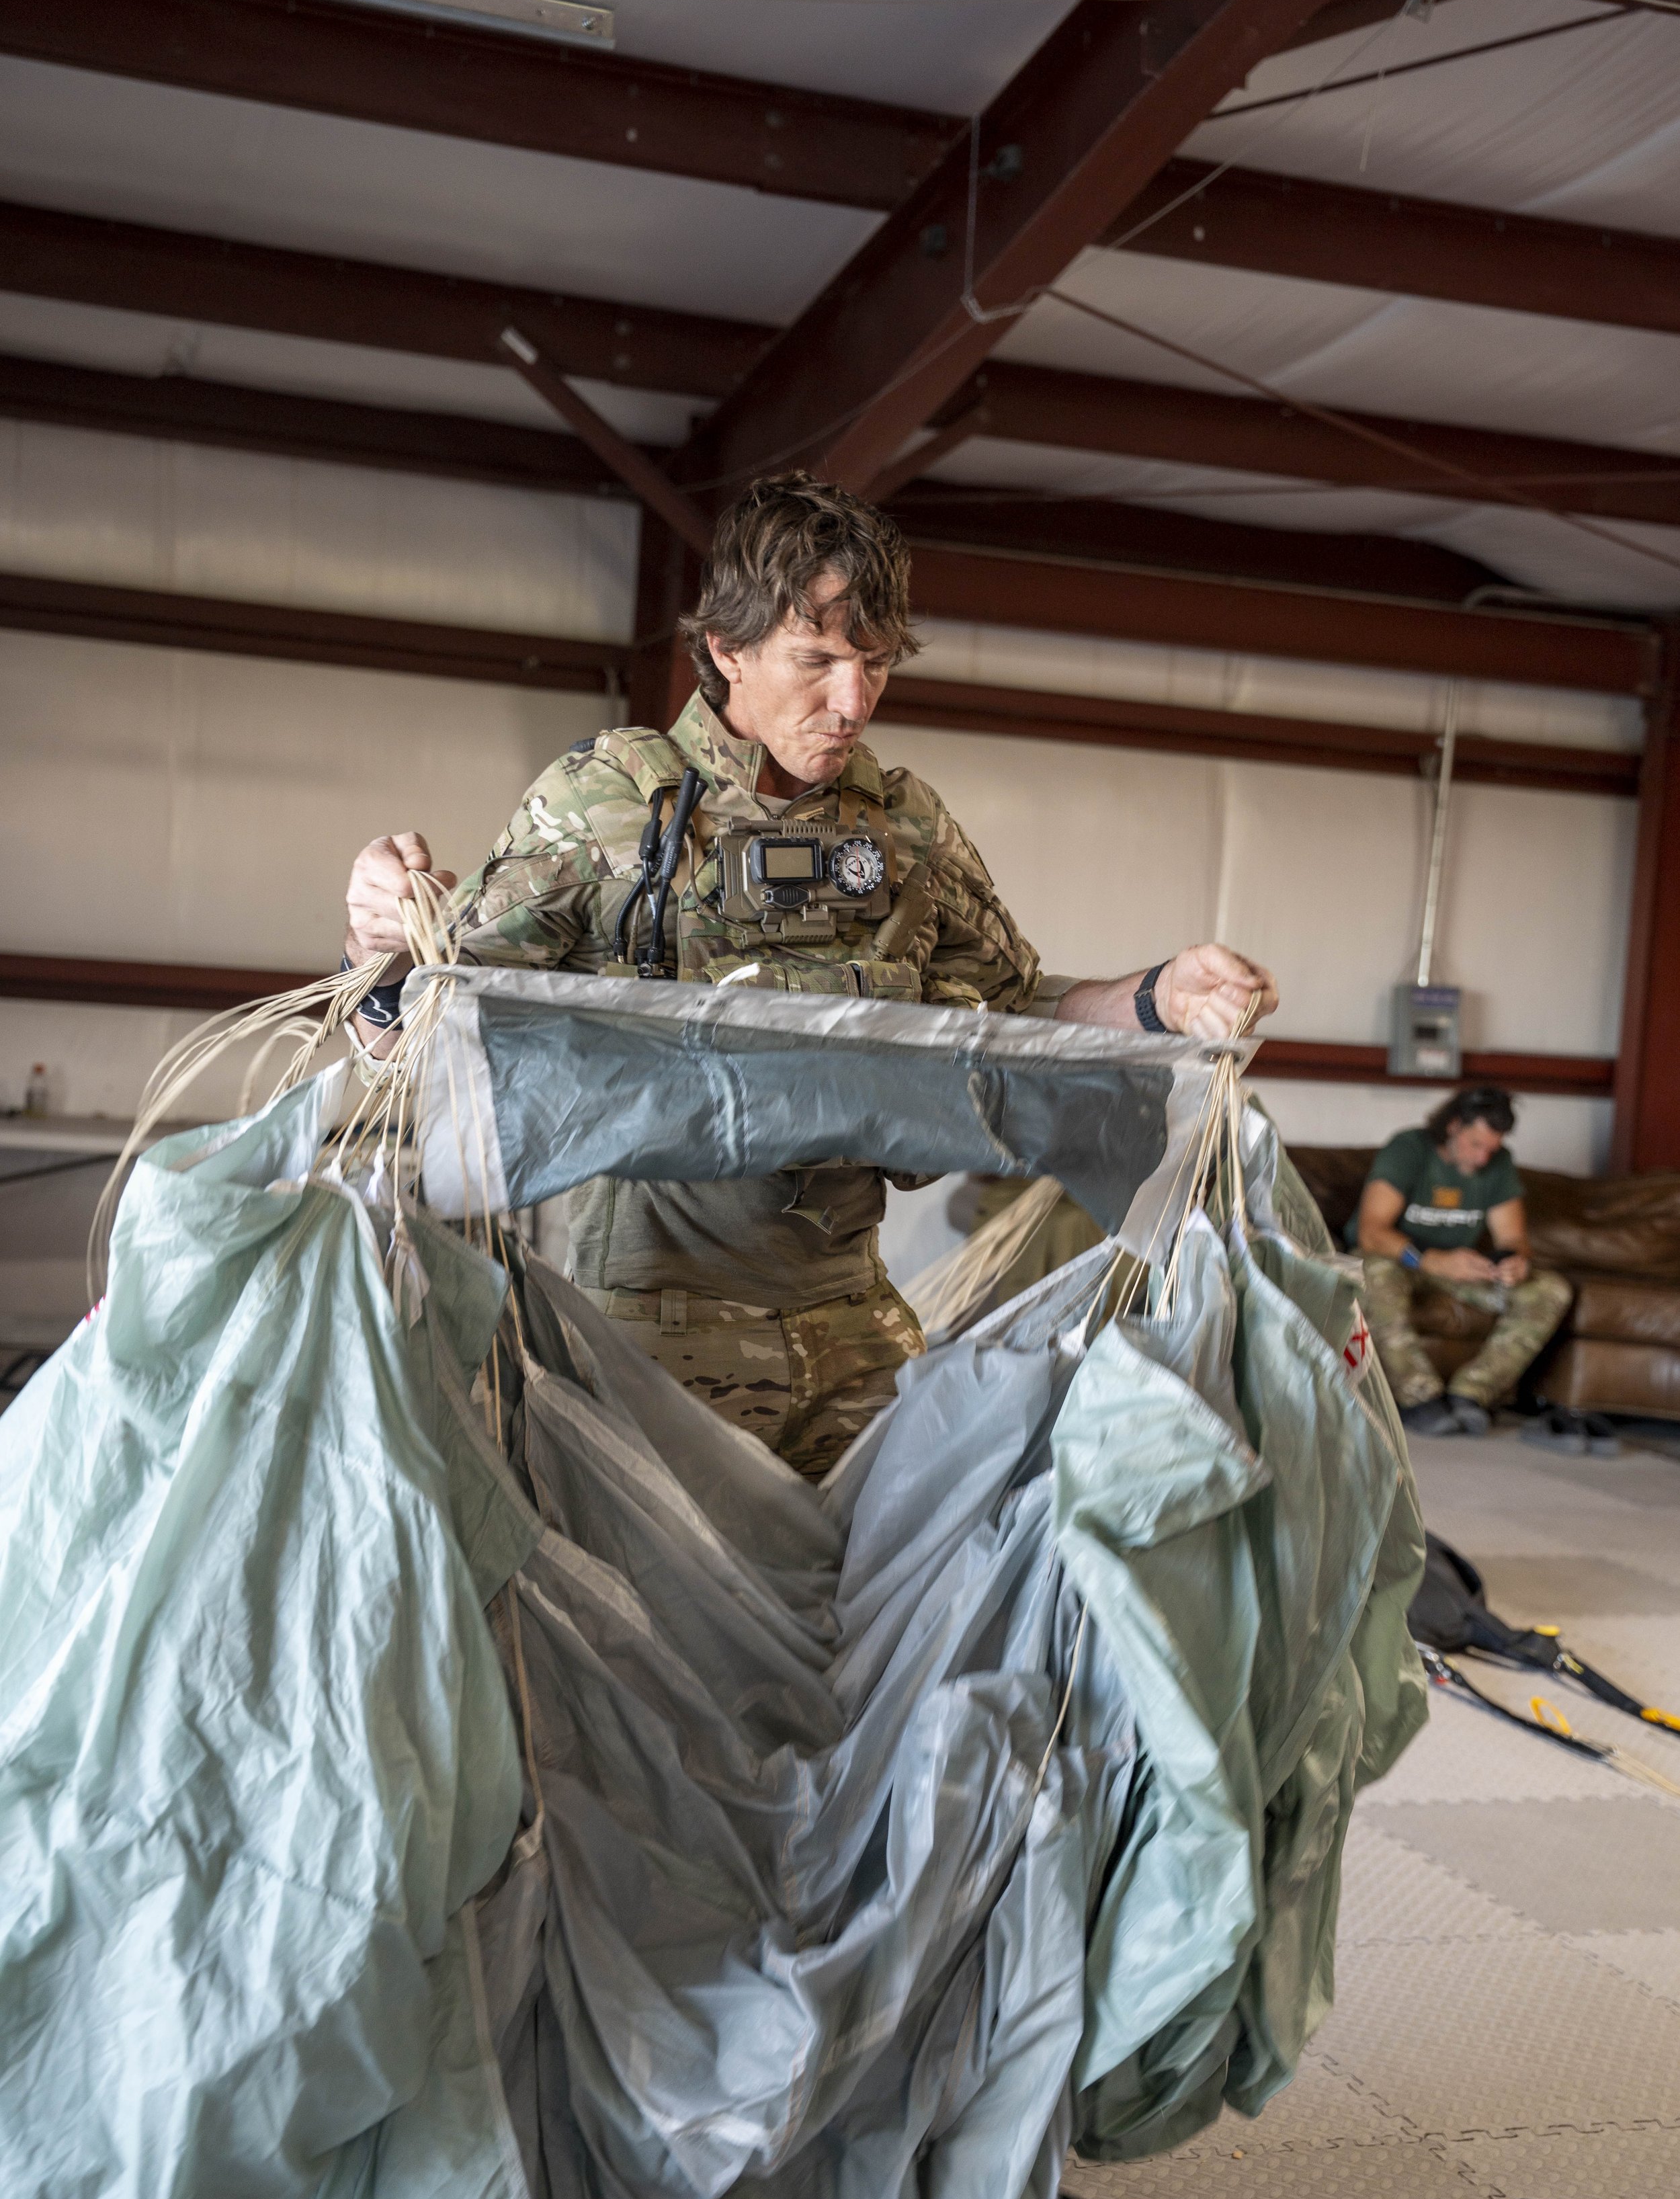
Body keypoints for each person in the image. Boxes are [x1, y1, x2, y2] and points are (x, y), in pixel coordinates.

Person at [341, 474, 1278, 1477]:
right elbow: (417, 1030)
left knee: (898, 1600)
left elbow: (1015, 1012)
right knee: (669, 1622)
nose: (853, 702)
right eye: (818, 659)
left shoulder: (904, 824)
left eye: (875, 664)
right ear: (725, 650)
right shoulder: (611, 803)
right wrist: (376, 947)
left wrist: (1156, 997)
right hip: (657, 1326)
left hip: (856, 1321)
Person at [1354, 1085, 1570, 1438]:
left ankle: (1470, 1395)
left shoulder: (1498, 1165)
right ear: (1453, 1127)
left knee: (1550, 1289)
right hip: (1398, 1259)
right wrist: (1432, 1260)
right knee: (1373, 1274)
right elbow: (1371, 1233)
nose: (1483, 1158)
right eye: (1476, 1145)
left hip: (1459, 1267)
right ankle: (1418, 1397)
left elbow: (1514, 1240)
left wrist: (1515, 1263)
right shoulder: (1408, 1149)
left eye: (1492, 1149)